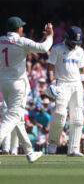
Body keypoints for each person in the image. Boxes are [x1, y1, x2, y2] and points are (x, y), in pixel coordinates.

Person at [0, 16, 53, 162]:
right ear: (18, 29)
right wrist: (50, 36)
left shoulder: (1, 40)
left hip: (3, 82)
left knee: (18, 119)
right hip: (17, 84)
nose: (22, 28)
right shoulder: (21, 41)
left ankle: (29, 152)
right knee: (12, 117)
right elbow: (43, 49)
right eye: (21, 27)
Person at [46, 26, 84, 157]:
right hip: (62, 84)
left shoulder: (80, 50)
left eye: (77, 43)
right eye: (73, 42)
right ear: (67, 38)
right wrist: (52, 83)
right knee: (60, 114)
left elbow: (82, 70)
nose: (75, 45)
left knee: (77, 118)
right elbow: (50, 68)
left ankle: (74, 148)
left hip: (77, 85)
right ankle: (53, 143)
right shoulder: (56, 49)